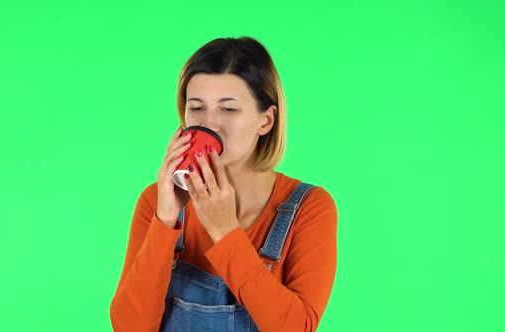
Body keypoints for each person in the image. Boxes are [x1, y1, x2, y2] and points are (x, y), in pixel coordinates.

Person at [110, 36, 338, 331]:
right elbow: (129, 327)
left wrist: (225, 230)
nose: (209, 124)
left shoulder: (309, 208)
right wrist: (164, 221)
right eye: (196, 108)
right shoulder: (155, 201)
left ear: (266, 121)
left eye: (228, 109)